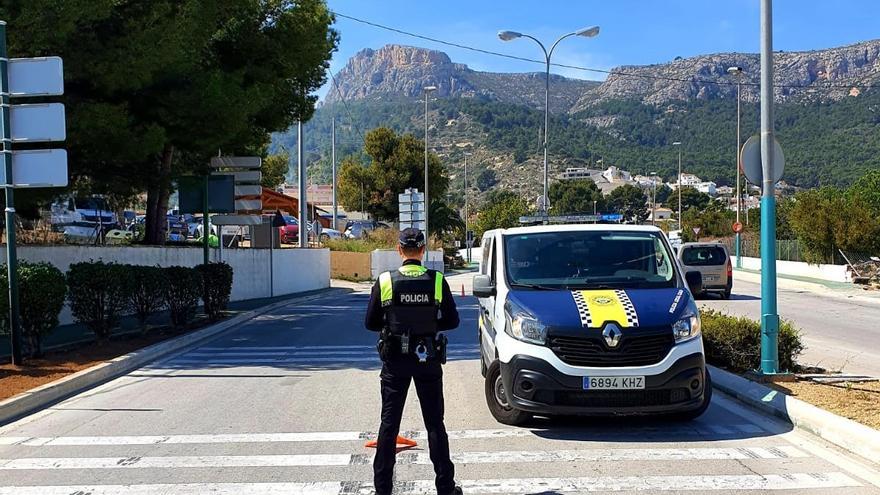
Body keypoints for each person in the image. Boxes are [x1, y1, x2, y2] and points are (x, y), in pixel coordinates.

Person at [364, 228, 462, 495]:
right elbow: (452, 321)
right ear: (422, 251)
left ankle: (382, 489)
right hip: (427, 358)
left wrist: (393, 324)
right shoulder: (437, 280)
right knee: (434, 424)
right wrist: (430, 325)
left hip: (395, 361)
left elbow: (371, 323)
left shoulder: (385, 280)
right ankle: (446, 487)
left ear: (399, 250)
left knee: (389, 425)